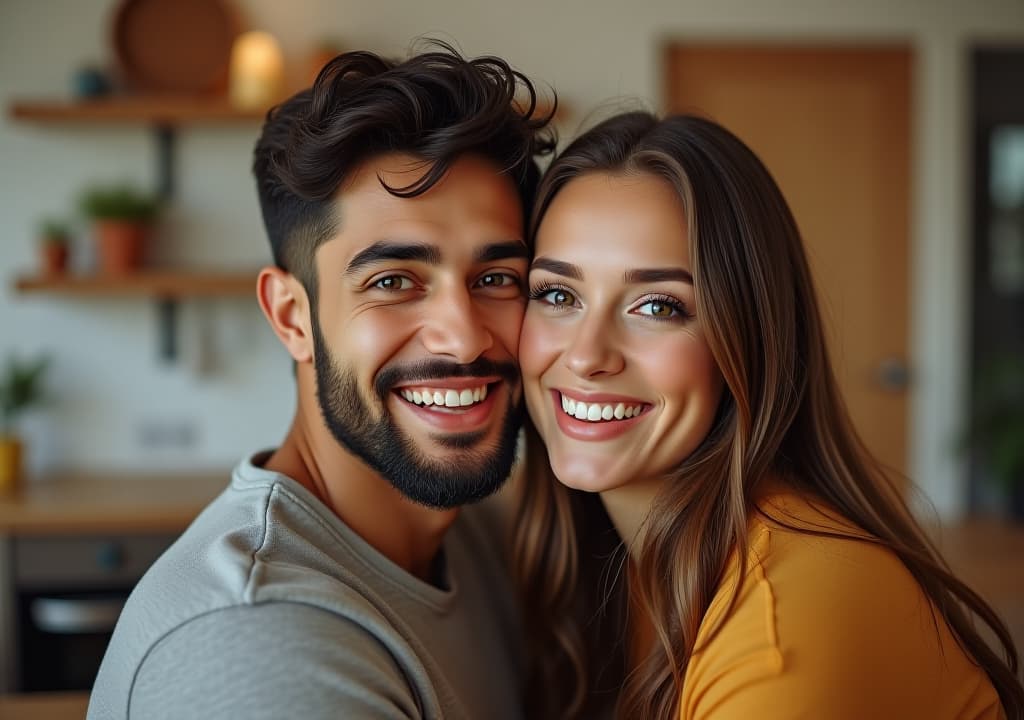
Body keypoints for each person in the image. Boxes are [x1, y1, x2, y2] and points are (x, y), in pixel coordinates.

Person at [88, 44, 555, 720]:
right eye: (394, 282)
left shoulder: (472, 537)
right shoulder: (256, 647)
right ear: (291, 315)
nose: (464, 335)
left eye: (496, 279)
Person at [511, 111, 1024, 720]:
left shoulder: (783, 620)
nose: (587, 356)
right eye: (557, 295)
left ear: (748, 339)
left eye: (658, 305)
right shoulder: (618, 554)